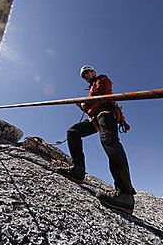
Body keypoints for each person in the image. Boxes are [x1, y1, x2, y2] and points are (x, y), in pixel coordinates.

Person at [58, 65, 136, 214]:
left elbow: (100, 94)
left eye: (87, 72)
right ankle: (78, 170)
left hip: (106, 113)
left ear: (93, 72)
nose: (86, 75)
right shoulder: (91, 88)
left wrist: (83, 103)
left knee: (109, 142)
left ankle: (125, 194)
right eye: (84, 75)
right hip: (95, 117)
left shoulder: (102, 79)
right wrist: (83, 105)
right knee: (73, 131)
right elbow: (89, 107)